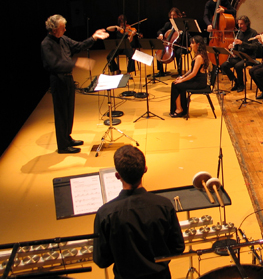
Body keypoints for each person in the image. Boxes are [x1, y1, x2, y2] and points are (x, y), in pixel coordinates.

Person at [93, 145, 185, 279]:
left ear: (117, 175)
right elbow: (177, 247)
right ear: (145, 170)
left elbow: (102, 260)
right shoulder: (164, 205)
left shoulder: (106, 214)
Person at [41, 14, 108, 154]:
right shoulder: (46, 44)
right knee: (61, 113)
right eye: (62, 27)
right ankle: (63, 146)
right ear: (54, 29)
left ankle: (67, 137)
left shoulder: (63, 39)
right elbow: (54, 64)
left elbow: (79, 46)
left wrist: (94, 37)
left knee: (69, 110)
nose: (65, 30)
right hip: (57, 80)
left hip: (68, 79)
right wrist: (76, 62)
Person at [169, 35, 209, 117]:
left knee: (176, 85)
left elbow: (194, 73)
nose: (190, 45)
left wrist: (182, 80)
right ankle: (181, 108)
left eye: (192, 43)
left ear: (198, 44)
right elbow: (191, 70)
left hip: (199, 82)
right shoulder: (198, 55)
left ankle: (180, 109)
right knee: (176, 83)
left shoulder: (199, 57)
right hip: (196, 80)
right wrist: (182, 77)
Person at [220, 15, 262, 92]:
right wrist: (232, 47)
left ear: (247, 24)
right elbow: (236, 46)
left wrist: (242, 43)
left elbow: (255, 47)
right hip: (239, 56)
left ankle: (241, 85)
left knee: (238, 66)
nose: (239, 26)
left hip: (249, 57)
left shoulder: (253, 33)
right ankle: (236, 82)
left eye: (241, 24)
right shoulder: (239, 33)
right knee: (224, 65)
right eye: (238, 24)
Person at [156, 8, 189, 77]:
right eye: (171, 15)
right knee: (159, 50)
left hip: (180, 45)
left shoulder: (182, 24)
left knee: (177, 52)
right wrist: (161, 35)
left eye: (174, 15)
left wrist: (182, 32)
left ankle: (179, 72)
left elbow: (187, 36)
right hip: (170, 45)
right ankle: (161, 71)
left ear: (178, 16)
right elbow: (160, 30)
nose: (172, 17)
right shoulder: (168, 24)